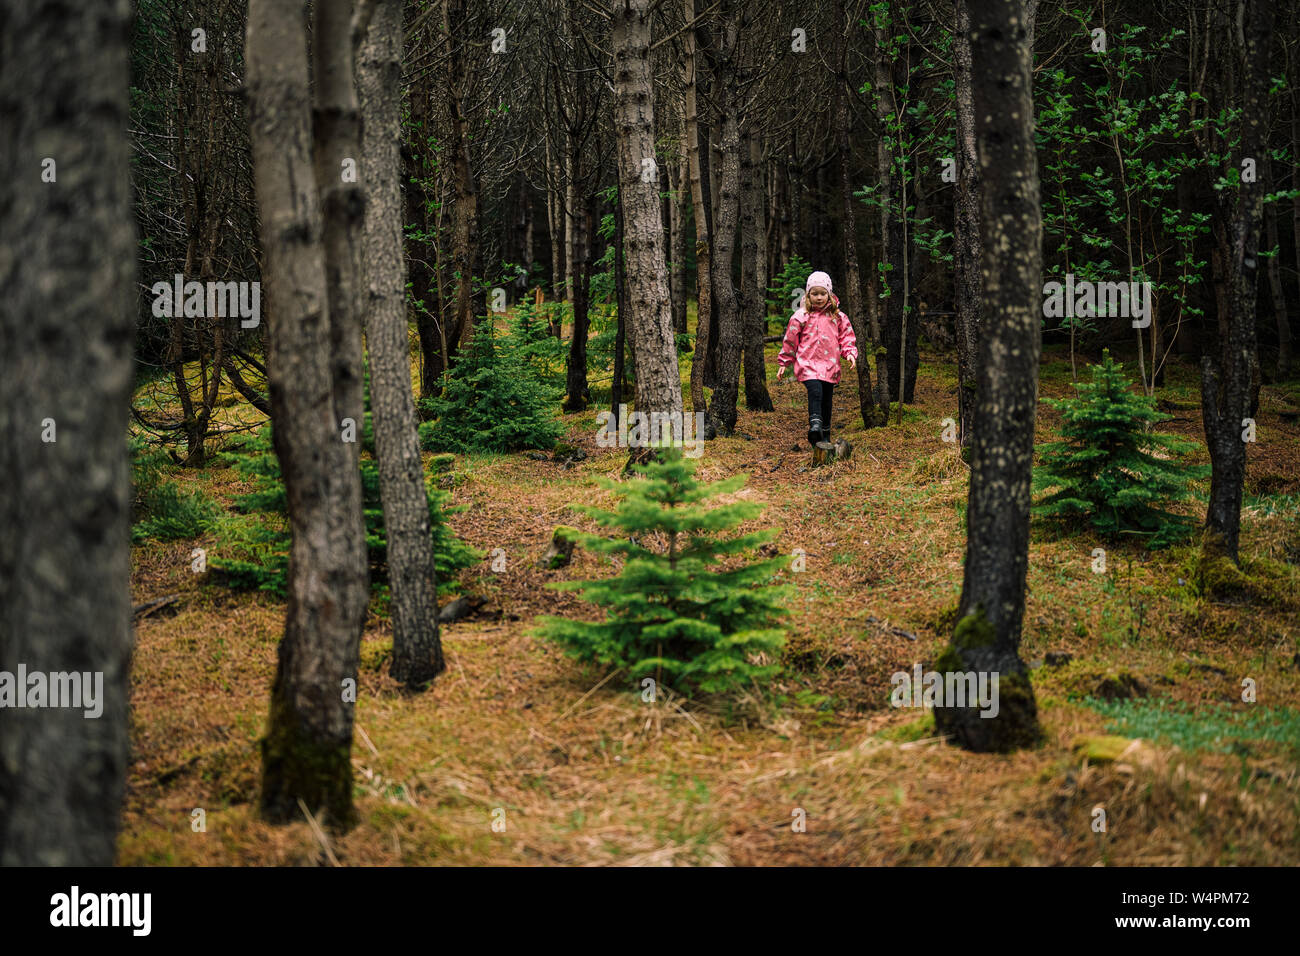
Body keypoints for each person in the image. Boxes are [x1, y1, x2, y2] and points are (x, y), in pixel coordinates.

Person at [776, 271, 858, 447]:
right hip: (808, 364)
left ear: (829, 294)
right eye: (815, 294)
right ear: (808, 295)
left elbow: (846, 337)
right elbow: (790, 340)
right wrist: (784, 362)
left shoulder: (837, 317)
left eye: (822, 293)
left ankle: (825, 435)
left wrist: (850, 353)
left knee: (827, 397)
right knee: (815, 391)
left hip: (830, 365)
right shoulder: (801, 316)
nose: (819, 298)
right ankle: (815, 425)